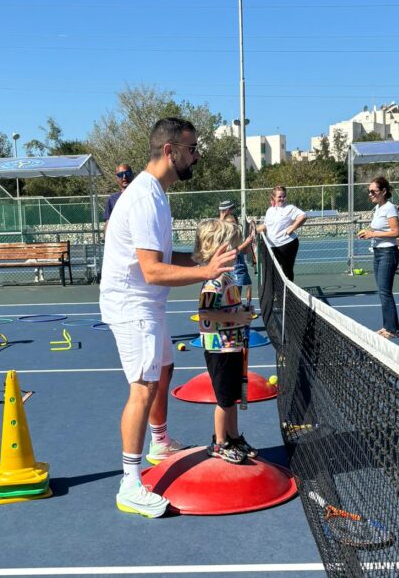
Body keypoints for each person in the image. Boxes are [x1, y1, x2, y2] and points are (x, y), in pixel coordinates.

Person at [100, 117, 236, 517]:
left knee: (164, 369)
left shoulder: (157, 193)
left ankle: (160, 442)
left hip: (148, 302)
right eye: (191, 150)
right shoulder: (143, 198)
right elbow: (152, 271)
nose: (195, 157)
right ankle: (129, 481)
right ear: (169, 151)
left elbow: (161, 259)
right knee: (142, 386)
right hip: (132, 304)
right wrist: (206, 273)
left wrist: (201, 259)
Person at [194, 219, 257, 463]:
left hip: (232, 344)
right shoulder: (213, 282)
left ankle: (232, 436)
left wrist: (242, 310)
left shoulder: (228, 278)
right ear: (216, 250)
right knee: (224, 400)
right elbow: (207, 313)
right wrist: (237, 317)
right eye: (232, 247)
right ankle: (218, 443)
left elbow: (229, 307)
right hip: (218, 348)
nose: (236, 251)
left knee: (232, 397)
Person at [357, 177, 399, 338]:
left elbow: (396, 232)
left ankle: (391, 329)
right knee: (383, 291)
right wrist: (367, 232)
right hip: (378, 251)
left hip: (388, 253)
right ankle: (388, 326)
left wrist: (373, 233)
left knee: (385, 291)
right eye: (369, 191)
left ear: (383, 192)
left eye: (373, 191)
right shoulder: (378, 208)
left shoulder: (390, 208)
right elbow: (378, 229)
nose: (370, 194)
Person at [256, 186, 307, 282]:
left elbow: (303, 216)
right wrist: (254, 230)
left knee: (286, 270)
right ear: (274, 198)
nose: (282, 199)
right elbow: (266, 226)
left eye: (284, 196)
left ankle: (288, 293)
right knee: (271, 270)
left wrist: (292, 227)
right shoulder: (270, 210)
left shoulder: (290, 208)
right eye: (279, 197)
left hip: (287, 244)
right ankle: (275, 292)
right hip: (272, 246)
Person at [218, 200, 256, 305]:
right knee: (227, 293)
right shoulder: (220, 230)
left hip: (237, 266)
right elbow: (230, 252)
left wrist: (250, 242)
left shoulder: (235, 232)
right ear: (227, 211)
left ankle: (238, 309)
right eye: (232, 209)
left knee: (243, 288)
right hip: (227, 268)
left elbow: (243, 252)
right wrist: (246, 242)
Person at [104, 163, 134, 231]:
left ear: (132, 175)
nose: (124, 177)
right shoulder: (112, 199)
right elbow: (108, 223)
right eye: (120, 175)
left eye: (127, 173)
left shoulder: (141, 196)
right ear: (117, 178)